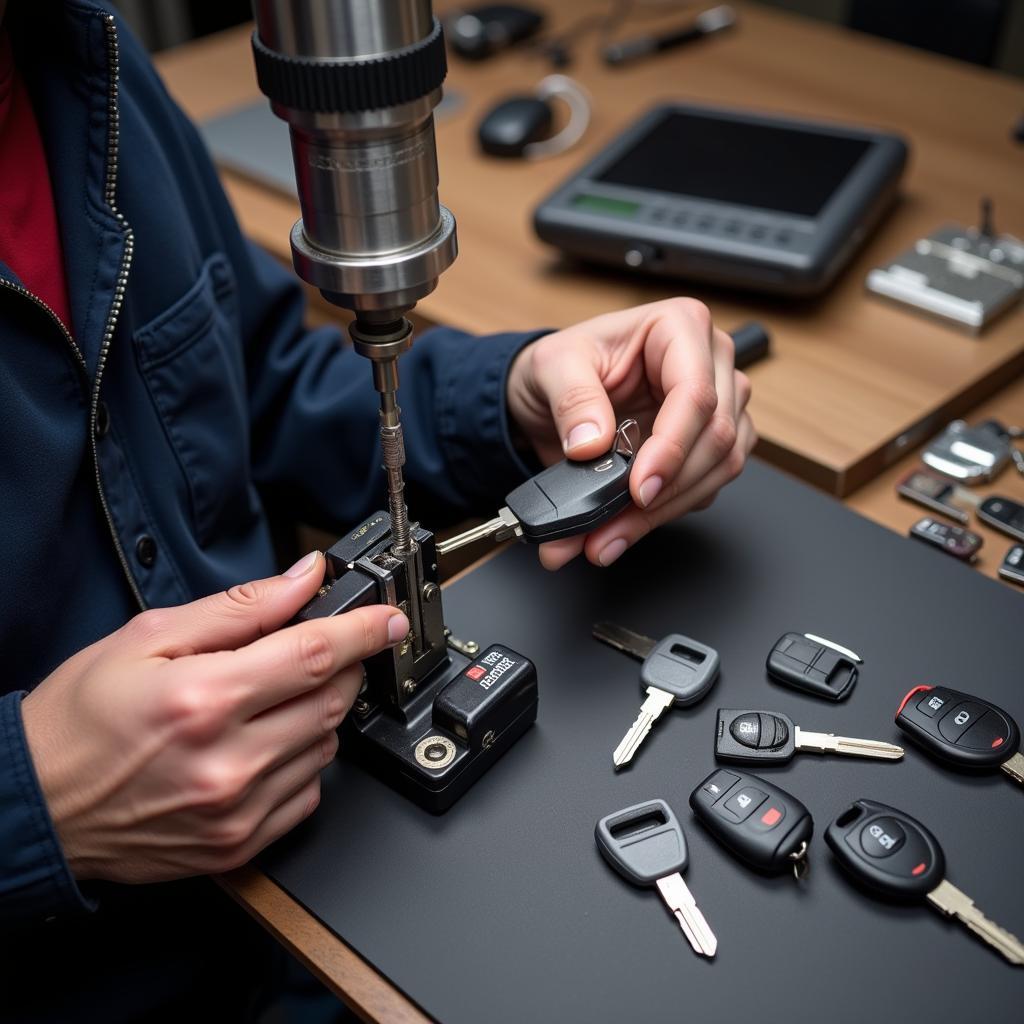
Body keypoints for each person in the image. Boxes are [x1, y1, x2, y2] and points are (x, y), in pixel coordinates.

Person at [0, 2, 754, 1020]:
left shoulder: (78, 51)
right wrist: (33, 803)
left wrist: (510, 401)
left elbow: (254, 379)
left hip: (329, 897)